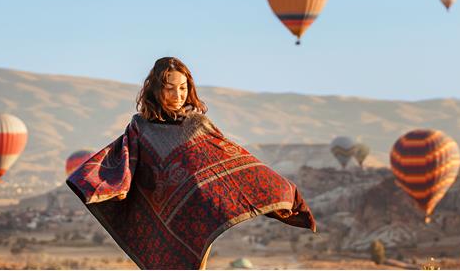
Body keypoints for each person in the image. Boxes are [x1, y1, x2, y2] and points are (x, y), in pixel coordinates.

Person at [66, 57, 316, 270]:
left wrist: (282, 190)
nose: (177, 95)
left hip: (198, 213)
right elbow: (123, 162)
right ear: (155, 89)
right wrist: (93, 182)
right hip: (160, 213)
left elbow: (233, 163)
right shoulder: (140, 127)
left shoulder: (198, 125)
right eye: (169, 88)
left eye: (183, 88)